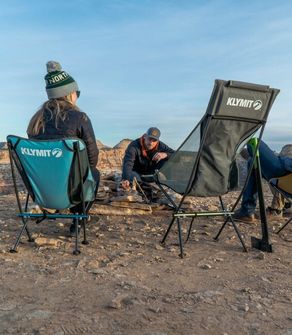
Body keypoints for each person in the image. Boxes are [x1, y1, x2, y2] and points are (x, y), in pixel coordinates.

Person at [27, 60, 99, 234]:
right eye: (76, 93)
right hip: (70, 187)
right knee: (94, 173)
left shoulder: (36, 120)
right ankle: (78, 218)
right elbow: (92, 159)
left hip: (42, 189)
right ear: (69, 94)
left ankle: (55, 208)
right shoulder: (79, 117)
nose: (77, 96)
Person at [234, 140, 292, 223]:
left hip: (282, 172)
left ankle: (247, 210)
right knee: (254, 161)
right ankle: (246, 211)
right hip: (285, 181)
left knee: (254, 142)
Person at [121, 127, 174, 191]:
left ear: (158, 141)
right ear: (145, 136)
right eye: (149, 139)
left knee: (167, 159)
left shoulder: (160, 145)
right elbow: (128, 163)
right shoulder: (133, 146)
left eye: (154, 140)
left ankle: (168, 186)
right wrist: (126, 178)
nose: (151, 143)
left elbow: (175, 154)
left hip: (151, 172)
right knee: (138, 183)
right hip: (136, 173)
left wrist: (165, 154)